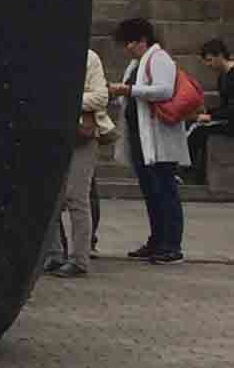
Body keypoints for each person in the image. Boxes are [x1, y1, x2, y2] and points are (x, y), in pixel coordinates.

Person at [112, 16, 188, 263]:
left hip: (158, 136)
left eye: (130, 43)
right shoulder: (136, 64)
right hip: (140, 137)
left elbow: (164, 89)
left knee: (165, 189)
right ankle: (157, 240)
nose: (128, 48)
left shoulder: (159, 58)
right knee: (151, 192)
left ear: (142, 40)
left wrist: (129, 91)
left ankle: (172, 244)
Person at [47, 45, 115, 276]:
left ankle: (79, 259)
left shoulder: (89, 57)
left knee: (77, 196)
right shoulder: (46, 56)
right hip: (53, 133)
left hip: (82, 136)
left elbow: (101, 96)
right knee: (50, 197)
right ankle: (55, 253)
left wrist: (63, 100)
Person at [186, 38, 231, 187]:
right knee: (193, 125)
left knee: (199, 131)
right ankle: (193, 171)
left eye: (210, 60)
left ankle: (191, 172)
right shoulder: (223, 76)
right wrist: (208, 112)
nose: (208, 65)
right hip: (228, 118)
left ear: (219, 56)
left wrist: (211, 115)